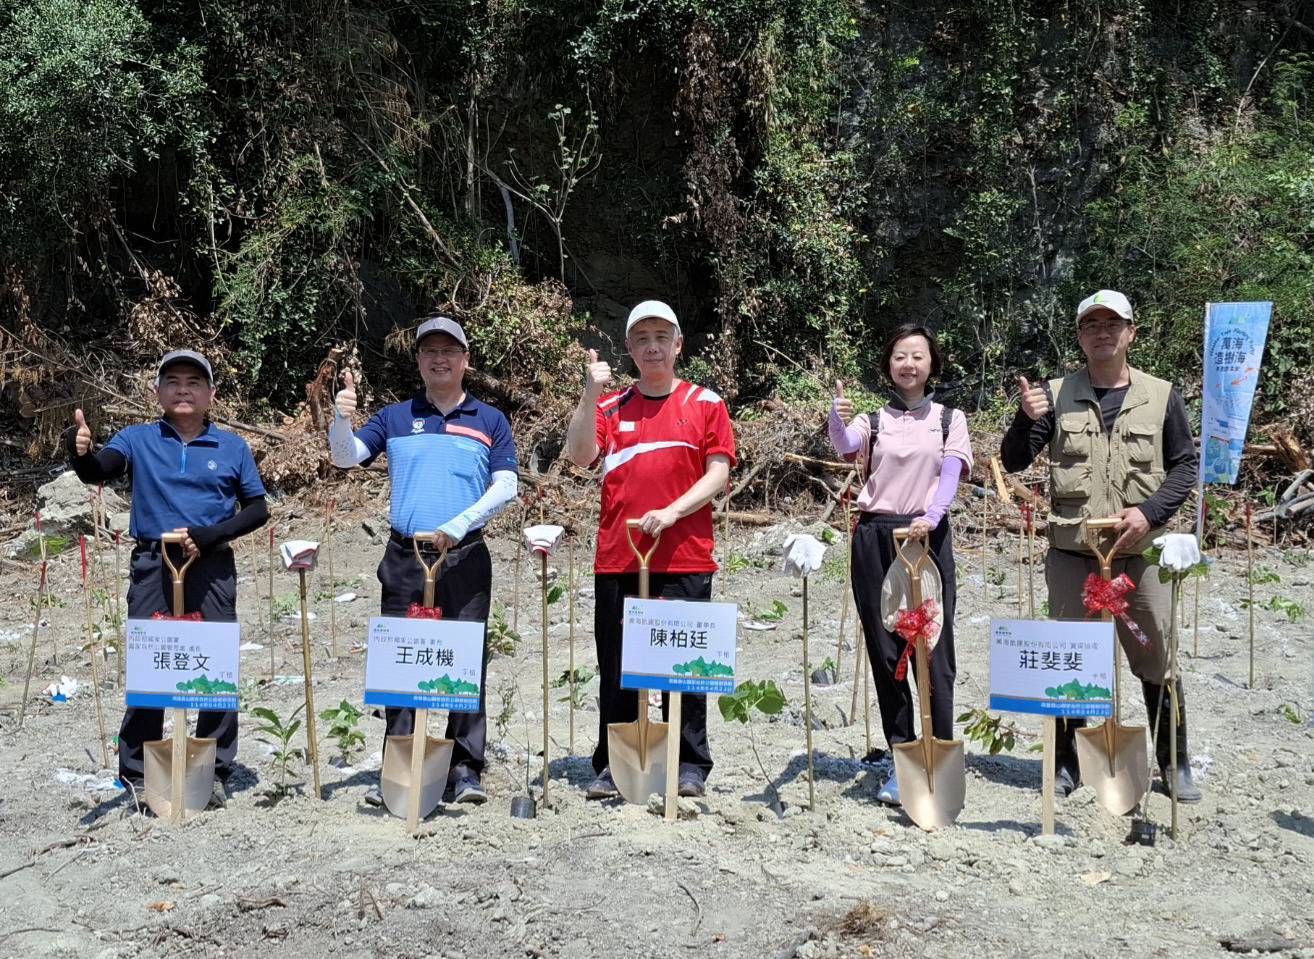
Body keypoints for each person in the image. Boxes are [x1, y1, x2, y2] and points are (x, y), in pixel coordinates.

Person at [1001, 289, 1202, 802]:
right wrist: (1025, 418)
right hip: (1074, 556)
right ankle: (1068, 762)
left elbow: (1184, 467)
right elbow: (1015, 461)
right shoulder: (1054, 394)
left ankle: (1173, 763)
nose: (1103, 332)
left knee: (1157, 657)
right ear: (1080, 337)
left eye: (1113, 323)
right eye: (1092, 324)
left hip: (1140, 557)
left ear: (1131, 332)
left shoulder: (1161, 395)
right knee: (1073, 659)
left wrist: (1150, 513)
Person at [68, 350, 269, 810]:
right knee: (149, 665)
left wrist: (212, 535)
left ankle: (212, 768)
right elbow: (101, 470)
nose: (183, 390)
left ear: (211, 394)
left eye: (194, 382)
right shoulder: (136, 439)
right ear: (157, 392)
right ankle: (139, 774)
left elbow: (258, 509)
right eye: (173, 381)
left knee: (214, 669)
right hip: (153, 563)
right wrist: (79, 454)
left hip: (211, 565)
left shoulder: (233, 447)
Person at [329, 314, 517, 806]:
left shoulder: (490, 419)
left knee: (464, 660)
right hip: (405, 554)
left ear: (465, 360)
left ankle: (464, 770)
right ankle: (401, 762)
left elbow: (507, 484)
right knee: (402, 659)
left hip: (466, 555)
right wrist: (341, 418)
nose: (439, 359)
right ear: (418, 360)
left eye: (449, 351)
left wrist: (461, 523)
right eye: (430, 351)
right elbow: (346, 458)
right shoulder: (394, 417)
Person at [565, 300, 736, 800]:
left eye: (663, 336)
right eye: (642, 339)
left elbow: (719, 473)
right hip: (620, 556)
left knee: (685, 665)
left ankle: (689, 763)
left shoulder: (706, 402)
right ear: (629, 350)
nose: (653, 346)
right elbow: (580, 456)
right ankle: (613, 761)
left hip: (685, 555)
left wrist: (673, 512)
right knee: (617, 664)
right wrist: (588, 393)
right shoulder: (609, 407)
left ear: (679, 345)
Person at [828, 325, 972, 807]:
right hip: (875, 535)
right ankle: (901, 752)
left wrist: (933, 515)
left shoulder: (951, 418)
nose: (908, 364)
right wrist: (836, 415)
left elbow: (950, 469)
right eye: (899, 356)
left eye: (918, 356)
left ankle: (938, 749)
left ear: (932, 363)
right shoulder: (873, 419)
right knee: (887, 651)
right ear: (888, 364)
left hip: (926, 535)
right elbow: (846, 445)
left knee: (933, 649)